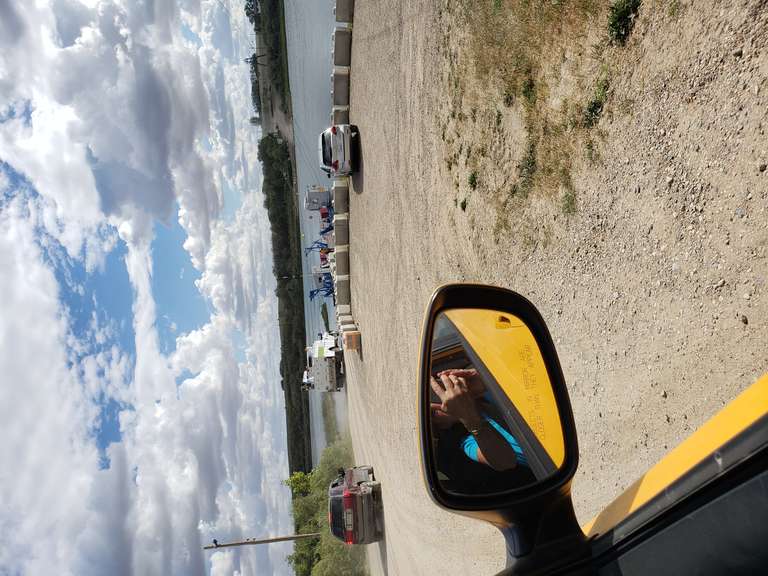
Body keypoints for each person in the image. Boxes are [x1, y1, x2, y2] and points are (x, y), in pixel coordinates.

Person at [430, 368, 535, 492]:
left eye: (443, 391)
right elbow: (505, 462)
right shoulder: (469, 442)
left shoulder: (487, 389)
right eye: (433, 414)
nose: (446, 399)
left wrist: (487, 379)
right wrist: (468, 416)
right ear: (442, 426)